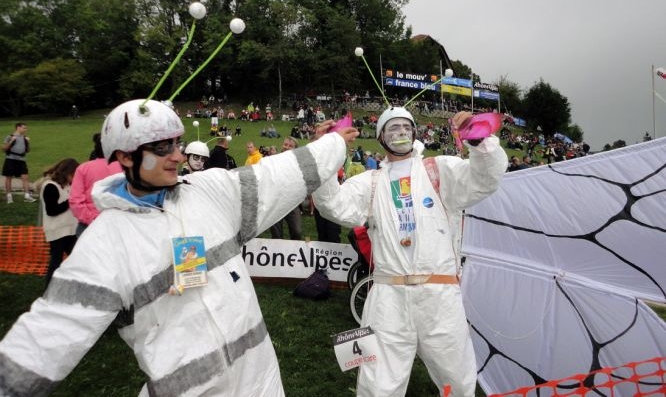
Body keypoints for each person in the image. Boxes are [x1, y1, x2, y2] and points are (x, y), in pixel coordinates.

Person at [0, 98, 358, 396]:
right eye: (161, 147)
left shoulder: (208, 190)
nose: (176, 155)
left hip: (261, 384)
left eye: (176, 143)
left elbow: (281, 174)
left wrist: (333, 143)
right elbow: (48, 333)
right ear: (125, 157)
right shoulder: (106, 241)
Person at [313, 106, 507, 396]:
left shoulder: (439, 169)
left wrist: (478, 138)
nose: (400, 133)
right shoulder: (370, 182)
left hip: (439, 297)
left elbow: (485, 179)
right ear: (380, 137)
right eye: (392, 128)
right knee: (378, 383)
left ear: (415, 132)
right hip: (388, 298)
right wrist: (324, 151)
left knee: (458, 380)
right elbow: (331, 203)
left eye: (405, 127)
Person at [69, 133, 122, 236]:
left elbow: (75, 200)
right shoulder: (124, 167)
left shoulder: (83, 168)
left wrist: (91, 218)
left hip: (89, 224)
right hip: (117, 221)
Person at [39, 158, 79, 287]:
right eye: (73, 175)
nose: (75, 178)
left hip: (70, 230)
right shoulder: (50, 186)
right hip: (57, 230)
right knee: (56, 261)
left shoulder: (67, 185)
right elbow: (51, 210)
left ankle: (75, 285)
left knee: (77, 259)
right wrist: (70, 201)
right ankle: (49, 289)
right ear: (66, 172)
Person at [268, 137, 302, 240]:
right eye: (285, 144)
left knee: (297, 231)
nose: (286, 147)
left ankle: (295, 252)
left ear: (295, 148)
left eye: (290, 146)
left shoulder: (299, 163)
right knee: (276, 234)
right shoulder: (274, 160)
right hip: (275, 201)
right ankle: (277, 253)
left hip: (292, 202)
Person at [2, 122, 36, 203]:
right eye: (24, 128)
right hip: (10, 159)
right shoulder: (9, 136)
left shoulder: (25, 138)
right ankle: (9, 197)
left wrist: (28, 142)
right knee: (9, 177)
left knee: (25, 177)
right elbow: (4, 149)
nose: (25, 129)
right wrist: (11, 141)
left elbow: (27, 150)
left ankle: (27, 196)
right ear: (18, 128)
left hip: (21, 160)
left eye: (25, 128)